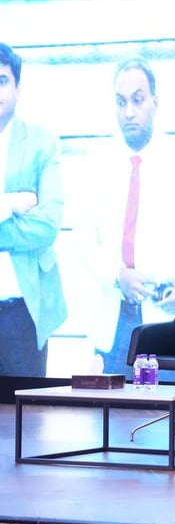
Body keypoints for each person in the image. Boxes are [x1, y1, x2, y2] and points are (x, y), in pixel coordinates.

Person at [86, 58, 175, 376]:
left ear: (155, 102)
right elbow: (83, 238)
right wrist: (117, 274)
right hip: (115, 316)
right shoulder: (97, 161)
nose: (129, 112)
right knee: (110, 406)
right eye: (121, 102)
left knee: (164, 405)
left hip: (164, 316)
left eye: (138, 100)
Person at [0, 42, 67, 376]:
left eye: (2, 80)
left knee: (24, 406)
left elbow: (48, 225)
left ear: (17, 87)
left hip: (24, 311)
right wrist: (10, 204)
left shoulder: (42, 143)